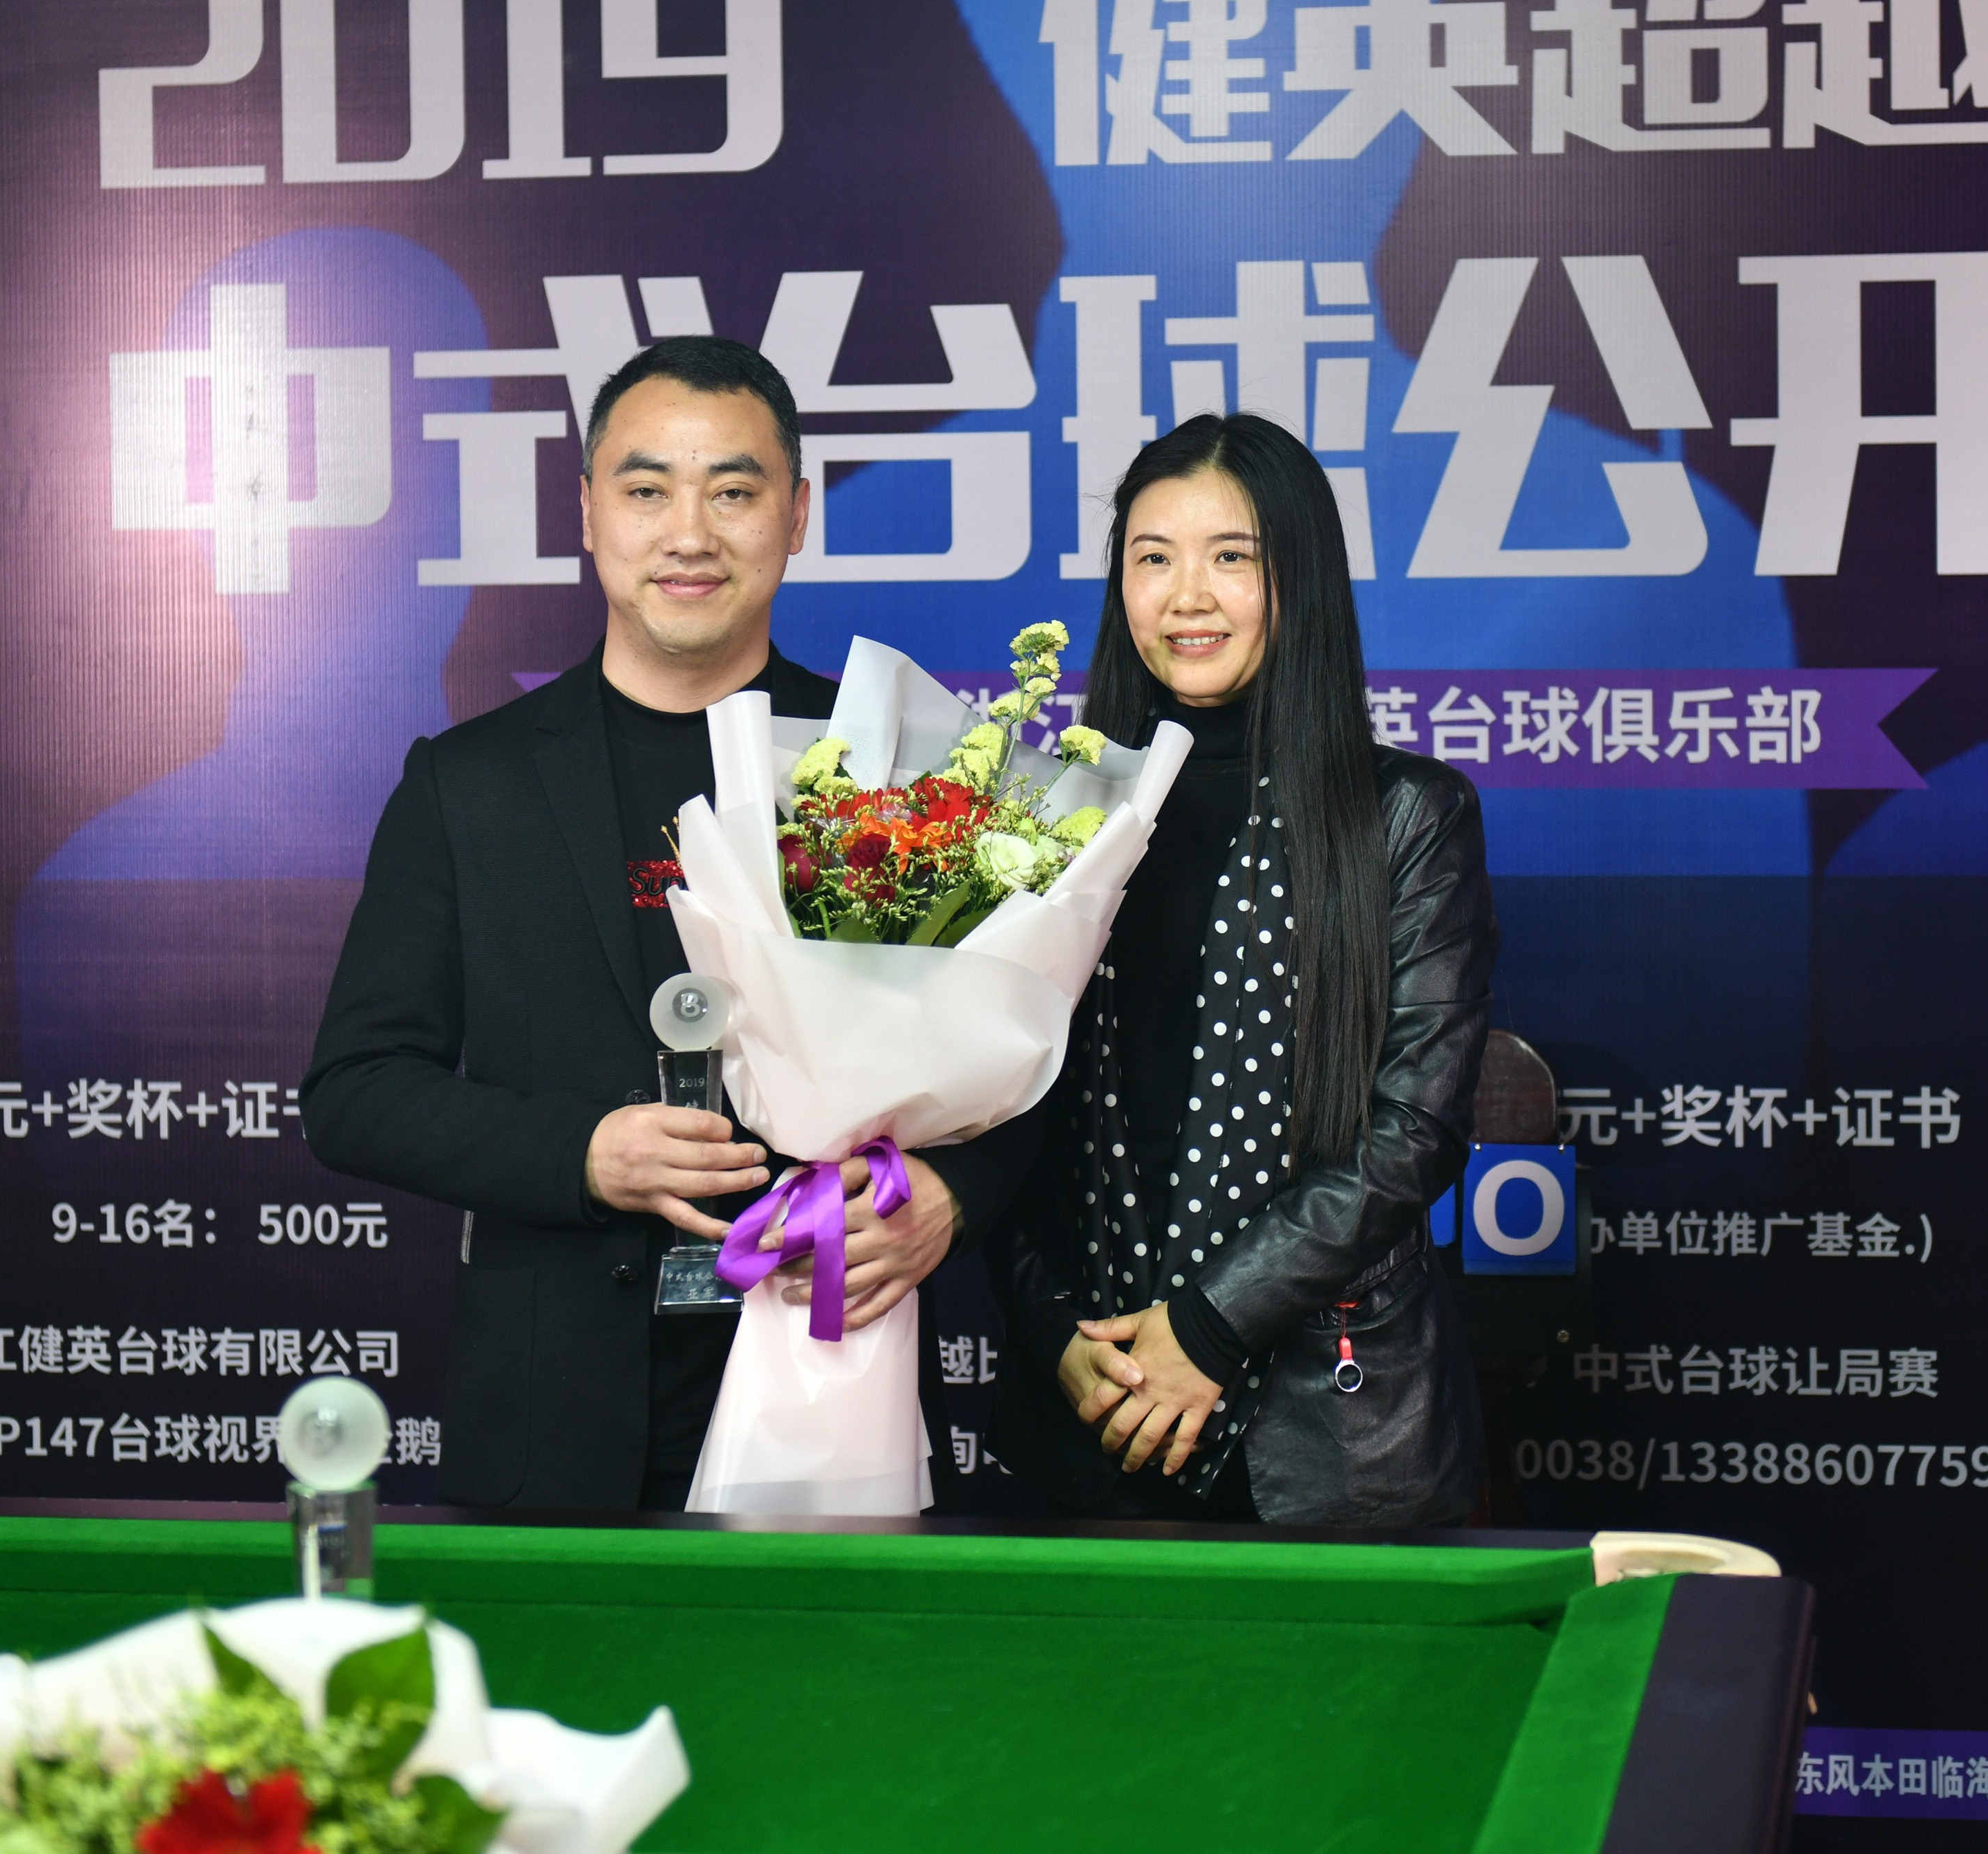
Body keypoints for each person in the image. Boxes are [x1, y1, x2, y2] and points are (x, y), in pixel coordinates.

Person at [302, 337, 1045, 1511]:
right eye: (647, 491)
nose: (689, 534)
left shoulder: (902, 772)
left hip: (835, 1385)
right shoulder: (471, 784)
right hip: (556, 1419)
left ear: (797, 516)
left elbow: (1032, 1062)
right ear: (588, 513)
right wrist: (580, 1154)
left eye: (734, 492)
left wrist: (951, 1195)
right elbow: (355, 1092)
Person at [992, 414, 1492, 1525]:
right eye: (1153, 559)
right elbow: (1000, 1112)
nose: (1188, 597)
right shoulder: (1051, 822)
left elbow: (1412, 1131)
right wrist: (1056, 1331)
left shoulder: (1406, 817)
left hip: (1332, 1434)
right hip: (1096, 1399)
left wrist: (1208, 1327)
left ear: (1299, 580)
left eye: (1233, 558)